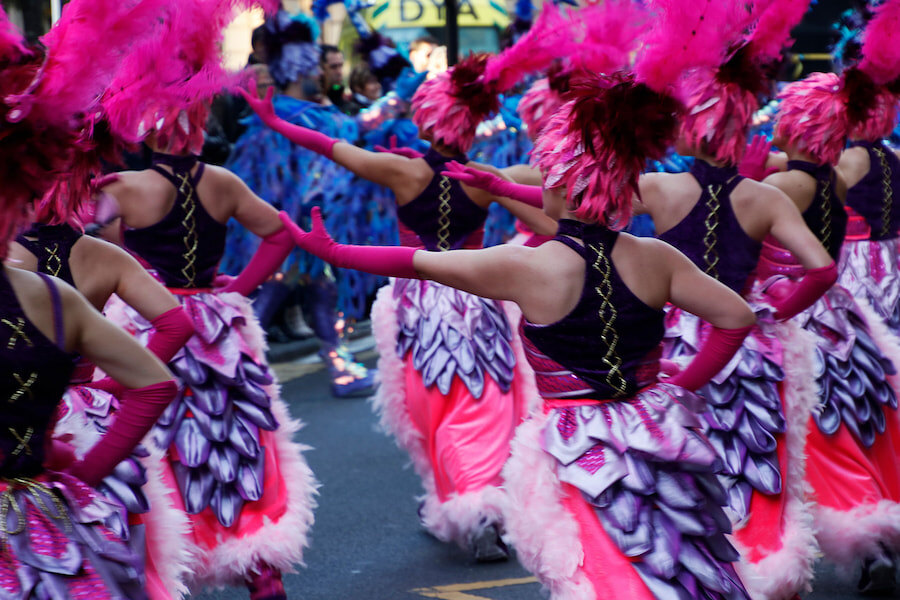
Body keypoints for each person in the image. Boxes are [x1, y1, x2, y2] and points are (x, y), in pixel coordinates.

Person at [240, 21, 564, 557]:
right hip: (476, 298)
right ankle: (477, 502)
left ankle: (463, 500)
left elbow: (333, 146)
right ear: (470, 124)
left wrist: (273, 119)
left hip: (415, 302)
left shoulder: (401, 171)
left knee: (429, 405)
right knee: (483, 402)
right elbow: (555, 224)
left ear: (427, 120)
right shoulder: (486, 180)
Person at [96, 2, 319, 597]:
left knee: (157, 444)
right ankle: (258, 568)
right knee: (234, 438)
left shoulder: (122, 189)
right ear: (199, 121)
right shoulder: (223, 182)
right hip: (220, 327)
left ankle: (173, 564)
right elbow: (282, 234)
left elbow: (80, 246)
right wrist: (239, 288)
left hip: (150, 323)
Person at [751, 69, 900, 594]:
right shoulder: (831, 177)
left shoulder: (780, 184)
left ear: (797, 126)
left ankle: (865, 540)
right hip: (841, 317)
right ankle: (873, 537)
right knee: (856, 429)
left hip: (798, 313)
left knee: (821, 439)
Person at [222, 9, 376, 396]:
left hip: (306, 228)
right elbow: (276, 176)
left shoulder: (302, 113)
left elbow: (348, 134)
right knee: (272, 293)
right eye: (315, 70)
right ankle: (231, 368)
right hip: (289, 230)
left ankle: (337, 368)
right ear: (300, 70)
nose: (321, 76)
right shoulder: (287, 115)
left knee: (319, 291)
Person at [320, 44, 347, 110]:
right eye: (333, 67)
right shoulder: (317, 102)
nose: (339, 72)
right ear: (321, 69)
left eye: (341, 65)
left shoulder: (338, 92)